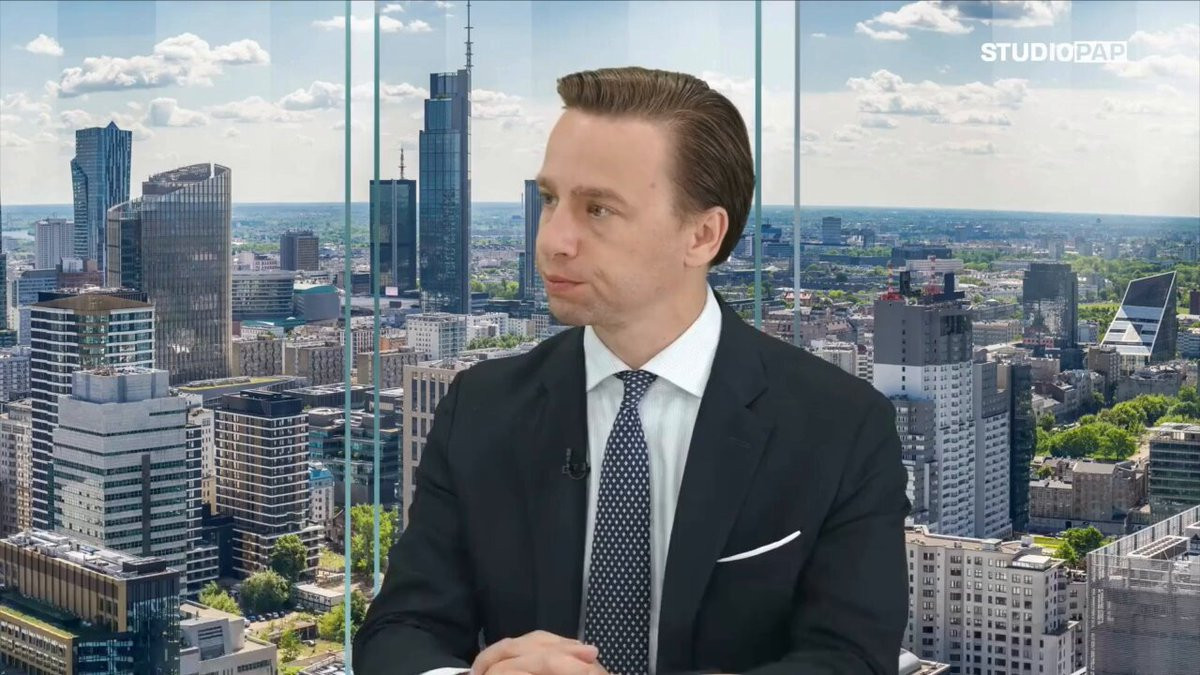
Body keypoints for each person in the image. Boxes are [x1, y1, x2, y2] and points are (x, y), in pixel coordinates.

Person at [355, 66, 909, 675]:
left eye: (598, 209)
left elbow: (851, 660)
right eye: (549, 199)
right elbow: (398, 631)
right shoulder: (480, 407)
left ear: (702, 235)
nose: (553, 240)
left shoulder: (840, 426)